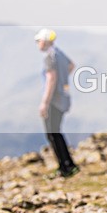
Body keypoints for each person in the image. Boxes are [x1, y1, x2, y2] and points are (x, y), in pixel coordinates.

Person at [35, 28, 79, 178]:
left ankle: (64, 167)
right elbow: (71, 65)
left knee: (52, 134)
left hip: (54, 100)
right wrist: (63, 80)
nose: (37, 44)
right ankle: (69, 164)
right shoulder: (59, 54)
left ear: (45, 41)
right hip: (63, 98)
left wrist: (44, 103)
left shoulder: (49, 57)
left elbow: (51, 79)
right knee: (57, 133)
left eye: (38, 40)